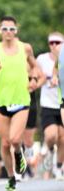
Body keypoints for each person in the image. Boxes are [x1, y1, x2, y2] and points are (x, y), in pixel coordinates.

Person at [0, 16, 45, 191]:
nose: (8, 32)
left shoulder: (25, 48)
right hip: (1, 101)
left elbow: (36, 68)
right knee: (5, 143)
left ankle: (19, 154)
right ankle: (11, 178)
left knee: (16, 139)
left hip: (21, 100)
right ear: (0, 31)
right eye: (5, 29)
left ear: (16, 31)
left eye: (11, 29)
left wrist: (34, 81)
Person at [36, 32, 64, 179]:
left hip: (61, 103)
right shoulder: (42, 59)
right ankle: (48, 148)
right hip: (47, 104)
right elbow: (33, 72)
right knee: (52, 135)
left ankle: (58, 167)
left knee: (62, 139)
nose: (54, 45)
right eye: (51, 43)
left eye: (57, 42)